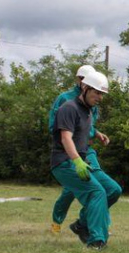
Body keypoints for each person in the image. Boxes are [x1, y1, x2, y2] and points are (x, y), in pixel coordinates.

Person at [48, 65, 121, 235]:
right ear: (80, 82)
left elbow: (87, 127)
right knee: (74, 191)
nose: (99, 96)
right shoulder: (65, 100)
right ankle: (57, 221)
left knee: (104, 188)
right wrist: (72, 154)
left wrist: (96, 133)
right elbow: (58, 128)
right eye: (81, 79)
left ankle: (87, 222)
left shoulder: (92, 103)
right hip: (68, 153)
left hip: (85, 151)